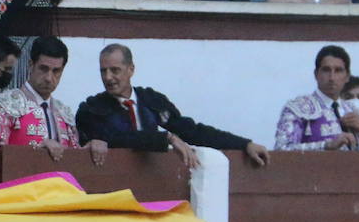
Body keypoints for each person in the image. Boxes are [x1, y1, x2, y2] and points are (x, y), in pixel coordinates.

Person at [78, 43, 269, 168]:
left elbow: (192, 131)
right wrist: (166, 138)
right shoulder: (92, 108)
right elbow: (118, 138)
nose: (108, 78)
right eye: (103, 71)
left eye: (115, 70)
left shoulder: (152, 101)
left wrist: (244, 144)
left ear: (131, 70)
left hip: (156, 185)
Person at [275, 45, 359, 151]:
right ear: (316, 74)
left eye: (338, 70)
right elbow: (282, 150)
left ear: (347, 77)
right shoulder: (298, 108)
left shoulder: (354, 110)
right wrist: (326, 145)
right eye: (326, 70)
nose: (332, 77)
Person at [0, 35, 80, 157]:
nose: (49, 78)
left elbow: (75, 159)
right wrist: (35, 152)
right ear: (31, 65)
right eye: (43, 69)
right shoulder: (5, 105)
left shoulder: (64, 113)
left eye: (56, 71)